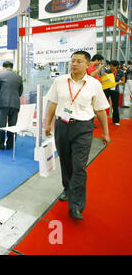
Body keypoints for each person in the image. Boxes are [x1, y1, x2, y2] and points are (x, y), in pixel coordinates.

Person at [45, 51, 111, 221]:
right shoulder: (59, 81)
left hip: (83, 128)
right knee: (66, 162)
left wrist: (105, 132)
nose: (74, 64)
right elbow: (53, 104)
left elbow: (101, 109)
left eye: (79, 61)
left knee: (79, 166)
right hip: (62, 126)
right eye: (72, 60)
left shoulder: (94, 84)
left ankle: (76, 206)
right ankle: (67, 189)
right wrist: (47, 123)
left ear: (88, 65)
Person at [0, 61, 23, 150]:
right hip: (15, 104)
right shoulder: (19, 77)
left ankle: (0, 145)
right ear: (12, 67)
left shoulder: (0, 75)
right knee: (12, 125)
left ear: (4, 67)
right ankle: (10, 145)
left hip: (3, 103)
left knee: (1, 125)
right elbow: (20, 92)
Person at [104, 60, 125, 126]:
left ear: (116, 66)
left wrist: (117, 83)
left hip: (115, 90)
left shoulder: (120, 72)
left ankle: (116, 120)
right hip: (107, 89)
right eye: (110, 65)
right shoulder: (108, 71)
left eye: (113, 66)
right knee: (103, 105)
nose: (111, 67)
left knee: (115, 105)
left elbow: (123, 81)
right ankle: (102, 120)